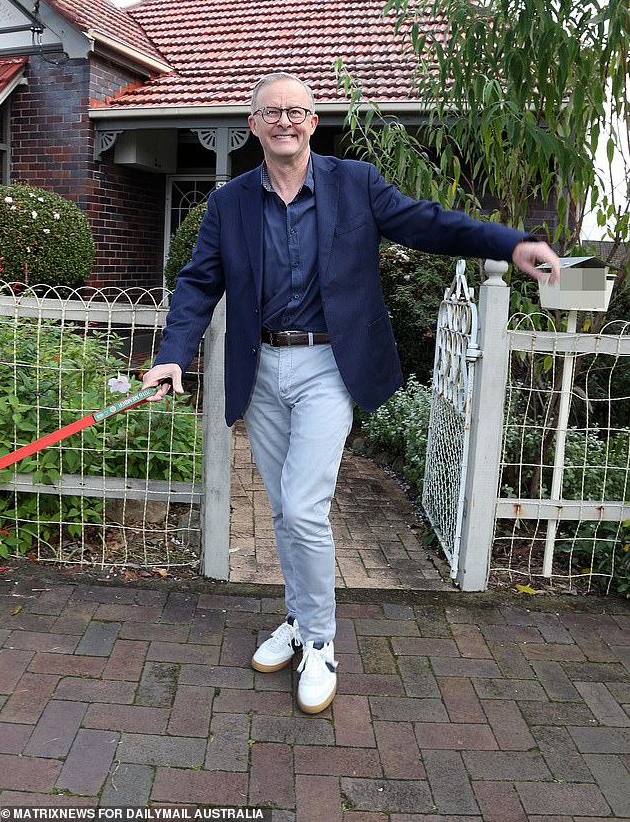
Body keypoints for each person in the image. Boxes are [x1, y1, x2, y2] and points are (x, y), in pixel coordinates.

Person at [143, 71, 560, 714]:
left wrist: (510, 241)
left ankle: (320, 642)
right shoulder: (228, 204)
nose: (285, 121)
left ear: (313, 123)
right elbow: (200, 283)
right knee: (284, 508)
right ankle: (297, 617)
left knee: (304, 507)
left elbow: (428, 224)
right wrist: (173, 356)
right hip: (264, 371)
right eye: (271, 111)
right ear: (253, 125)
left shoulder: (354, 184)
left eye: (297, 112)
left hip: (328, 368)